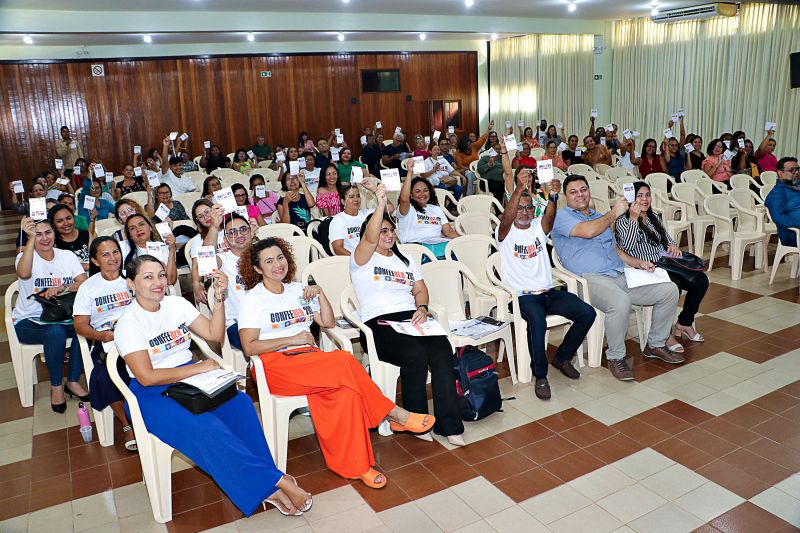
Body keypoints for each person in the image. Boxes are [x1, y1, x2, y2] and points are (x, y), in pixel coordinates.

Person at [114, 254, 312, 516]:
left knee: (241, 404)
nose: (158, 282)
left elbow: (214, 334)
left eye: (161, 275)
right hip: (153, 395)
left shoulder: (176, 305)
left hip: (192, 383)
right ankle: (277, 481)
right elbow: (146, 377)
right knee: (207, 428)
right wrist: (197, 368)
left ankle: (266, 486)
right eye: (148, 277)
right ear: (131, 283)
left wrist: (218, 300)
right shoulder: (129, 323)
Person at [237, 237, 435, 488]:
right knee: (343, 360)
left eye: (280, 257)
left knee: (346, 393)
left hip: (310, 360)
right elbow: (249, 346)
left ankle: (357, 467)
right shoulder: (253, 300)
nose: (277, 264)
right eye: (269, 261)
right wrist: (291, 339)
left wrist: (319, 294)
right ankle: (394, 413)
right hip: (274, 366)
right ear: (257, 268)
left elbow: (328, 322)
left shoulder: (297, 290)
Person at [352, 184, 465, 445]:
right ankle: (416, 420)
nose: (388, 234)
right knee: (414, 354)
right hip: (378, 323)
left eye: (391, 230)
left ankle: (450, 424)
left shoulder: (405, 259)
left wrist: (422, 309)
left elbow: (421, 290)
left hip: (410, 319)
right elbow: (369, 238)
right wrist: (381, 202)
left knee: (442, 349)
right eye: (382, 230)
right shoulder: (362, 259)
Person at [551, 176, 682, 381]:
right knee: (620, 302)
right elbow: (588, 231)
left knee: (669, 290)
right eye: (573, 191)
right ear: (565, 196)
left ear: (589, 191)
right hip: (588, 279)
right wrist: (614, 213)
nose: (580, 195)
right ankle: (616, 357)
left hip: (618, 273)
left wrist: (637, 262)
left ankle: (656, 344)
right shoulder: (561, 216)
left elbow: (616, 249)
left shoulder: (598, 216)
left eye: (583, 189)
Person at [496, 170, 595, 399]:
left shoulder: (537, 229)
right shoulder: (505, 233)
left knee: (587, 313)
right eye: (520, 208)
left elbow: (549, 217)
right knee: (537, 322)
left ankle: (562, 357)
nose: (524, 212)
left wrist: (552, 196)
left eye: (528, 208)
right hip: (522, 297)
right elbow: (507, 217)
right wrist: (519, 189)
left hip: (548, 293)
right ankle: (540, 376)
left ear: (534, 211)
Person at [615, 182, 707, 347]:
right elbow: (627, 247)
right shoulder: (623, 221)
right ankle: (664, 334)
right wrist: (634, 218)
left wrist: (673, 245)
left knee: (701, 280)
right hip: (645, 268)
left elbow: (667, 238)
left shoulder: (654, 217)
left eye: (648, 195)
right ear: (631, 199)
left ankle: (684, 322)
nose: (645, 199)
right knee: (673, 287)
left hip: (666, 263)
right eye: (639, 196)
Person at [13, 217, 88, 412]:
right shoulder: (24, 257)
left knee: (84, 328)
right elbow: (24, 274)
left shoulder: (67, 256)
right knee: (55, 332)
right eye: (38, 235)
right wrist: (30, 238)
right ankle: (56, 386)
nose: (44, 238)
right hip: (28, 321)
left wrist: (64, 287)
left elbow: (83, 282)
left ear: (55, 234)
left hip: (61, 316)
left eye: (48, 232)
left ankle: (72, 381)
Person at [73, 237, 137, 451]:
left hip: (138, 336)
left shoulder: (133, 277)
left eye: (115, 252)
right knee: (103, 376)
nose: (113, 258)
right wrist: (101, 336)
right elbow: (80, 325)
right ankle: (127, 425)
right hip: (107, 341)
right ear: (95, 260)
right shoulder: (88, 287)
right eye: (105, 254)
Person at [202, 207, 255, 350]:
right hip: (237, 323)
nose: (239, 234)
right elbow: (206, 259)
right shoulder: (223, 260)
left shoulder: (262, 256)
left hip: (264, 317)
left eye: (243, 229)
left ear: (251, 233)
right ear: (225, 240)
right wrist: (214, 227)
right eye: (232, 232)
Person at [397, 159, 459, 258]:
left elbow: (448, 232)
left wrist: (465, 240)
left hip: (438, 247)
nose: (422, 194)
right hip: (416, 250)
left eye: (425, 190)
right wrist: (409, 172)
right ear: (411, 195)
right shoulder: (407, 210)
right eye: (417, 191)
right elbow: (404, 199)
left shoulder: (436, 209)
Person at [329, 180, 391, 256]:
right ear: (343, 201)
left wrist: (374, 189)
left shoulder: (367, 214)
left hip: (375, 256)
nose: (356, 199)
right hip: (354, 258)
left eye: (358, 196)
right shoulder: (338, 220)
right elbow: (338, 249)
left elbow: (390, 209)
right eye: (351, 197)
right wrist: (357, 259)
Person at [120, 213, 178, 286]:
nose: (138, 229)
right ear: (130, 236)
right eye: (133, 228)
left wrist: (172, 250)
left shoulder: (164, 246)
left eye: (141, 224)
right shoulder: (124, 250)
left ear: (150, 227)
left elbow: (170, 281)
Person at [765, 157, 800, 247]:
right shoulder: (777, 193)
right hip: (793, 233)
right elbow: (778, 217)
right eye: (792, 170)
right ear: (780, 173)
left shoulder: (798, 185)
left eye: (797, 169)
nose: (796, 172)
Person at [49, 204, 91, 271]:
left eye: (68, 218)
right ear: (53, 224)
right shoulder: (51, 242)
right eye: (60, 221)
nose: (66, 223)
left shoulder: (86, 234)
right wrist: (85, 266)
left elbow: (97, 259)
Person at [477, 139, 508, 203]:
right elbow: (480, 170)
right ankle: (498, 208)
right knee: (498, 187)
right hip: (487, 181)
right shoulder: (485, 158)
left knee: (508, 186)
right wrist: (489, 164)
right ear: (492, 150)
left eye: (499, 149)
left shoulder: (502, 159)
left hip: (502, 181)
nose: (498, 151)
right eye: (496, 149)